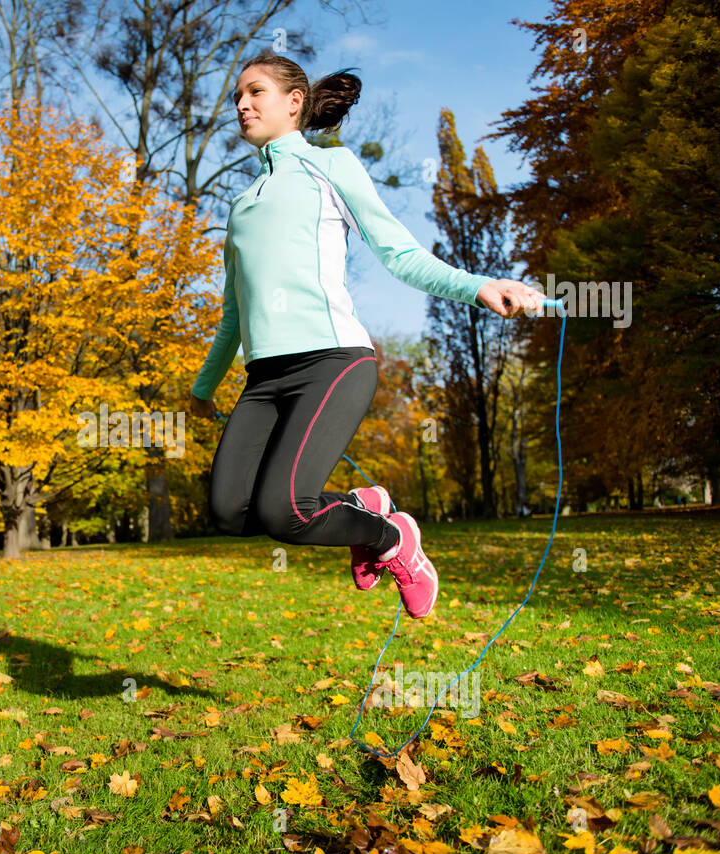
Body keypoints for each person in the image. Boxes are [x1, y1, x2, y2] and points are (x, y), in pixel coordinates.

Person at [187, 53, 543, 619]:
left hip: (332, 362)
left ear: (294, 102)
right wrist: (204, 389)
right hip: (263, 379)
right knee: (230, 511)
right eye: (236, 97)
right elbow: (234, 309)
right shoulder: (241, 204)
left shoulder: (331, 166)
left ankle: (393, 541)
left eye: (255, 92)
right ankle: (365, 506)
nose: (242, 105)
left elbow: (398, 256)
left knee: (287, 514)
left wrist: (479, 287)